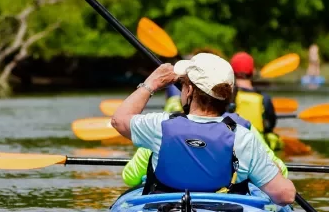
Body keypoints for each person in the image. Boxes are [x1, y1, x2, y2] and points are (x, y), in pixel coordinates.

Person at [112, 53, 296, 206]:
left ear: (190, 91)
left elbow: (119, 120)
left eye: (183, 86)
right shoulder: (243, 137)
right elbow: (285, 195)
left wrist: (151, 83)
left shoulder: (159, 126)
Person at [228, 52, 282, 151]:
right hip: (257, 148)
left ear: (232, 72)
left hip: (233, 146)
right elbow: (270, 125)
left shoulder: (227, 97)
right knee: (273, 138)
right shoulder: (263, 98)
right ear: (252, 72)